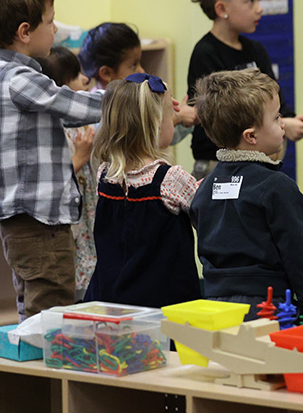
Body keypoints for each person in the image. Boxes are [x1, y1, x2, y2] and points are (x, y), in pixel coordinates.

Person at [0, 0, 104, 319]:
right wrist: (126, 98)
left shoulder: (0, 74)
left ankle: (35, 369)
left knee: (34, 306)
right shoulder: (19, 80)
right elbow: (71, 106)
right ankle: (47, 373)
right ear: (24, 32)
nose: (56, 31)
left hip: (28, 220)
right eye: (50, 23)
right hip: (38, 221)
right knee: (51, 306)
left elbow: (66, 116)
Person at [190, 68, 303, 320]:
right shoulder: (277, 187)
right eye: (276, 118)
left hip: (214, 307)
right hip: (267, 308)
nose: (283, 122)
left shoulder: (204, 187)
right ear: (251, 136)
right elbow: (299, 259)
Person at [188, 0, 303, 179]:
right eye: (251, 1)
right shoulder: (205, 53)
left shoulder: (256, 50)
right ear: (222, 9)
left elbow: (276, 102)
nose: (260, 9)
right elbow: (220, 117)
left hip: (259, 167)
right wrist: (284, 125)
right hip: (218, 167)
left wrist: (292, 121)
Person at [87, 73, 200, 307]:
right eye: (172, 116)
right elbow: (206, 217)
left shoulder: (105, 175)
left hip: (111, 298)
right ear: (156, 125)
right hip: (163, 302)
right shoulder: (171, 179)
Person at [38, 46, 97, 301]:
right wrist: (80, 158)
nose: (85, 79)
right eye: (76, 75)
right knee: (76, 272)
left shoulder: (83, 122)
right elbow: (54, 176)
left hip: (90, 211)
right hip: (72, 219)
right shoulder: (54, 129)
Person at [80, 22, 196, 143]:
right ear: (106, 74)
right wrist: (175, 118)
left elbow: (167, 138)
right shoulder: (102, 112)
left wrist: (185, 118)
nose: (142, 70)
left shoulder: (134, 99)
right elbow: (139, 143)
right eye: (133, 65)